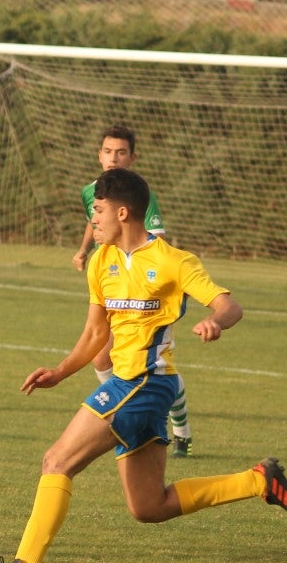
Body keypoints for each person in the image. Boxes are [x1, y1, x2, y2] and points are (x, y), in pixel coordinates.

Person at [0, 168, 287, 563]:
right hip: (134, 386)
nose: (94, 221)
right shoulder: (100, 261)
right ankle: (258, 481)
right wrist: (60, 372)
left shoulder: (173, 260)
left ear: (123, 212)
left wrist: (215, 322)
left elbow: (229, 305)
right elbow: (93, 335)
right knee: (149, 506)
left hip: (145, 383)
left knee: (56, 461)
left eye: (99, 211)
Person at [70, 124, 195, 458]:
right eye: (108, 151)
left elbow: (154, 239)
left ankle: (179, 426)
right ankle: (129, 403)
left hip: (142, 291)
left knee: (156, 364)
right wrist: (84, 250)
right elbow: (94, 221)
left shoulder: (140, 193)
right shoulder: (90, 191)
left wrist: (149, 280)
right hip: (109, 276)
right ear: (99, 154)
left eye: (121, 152)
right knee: (101, 354)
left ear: (132, 157)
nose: (114, 158)